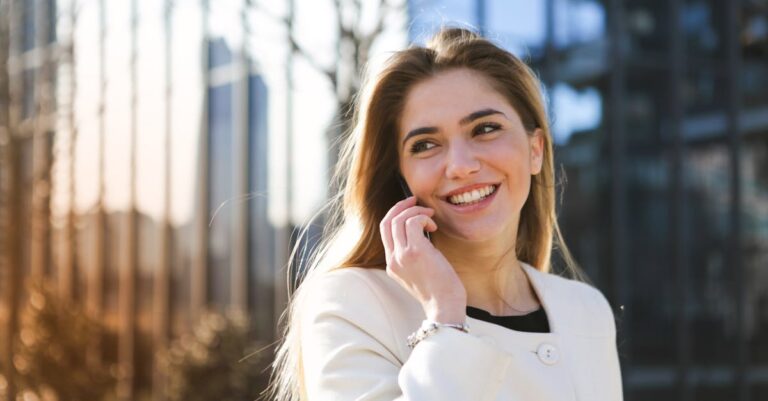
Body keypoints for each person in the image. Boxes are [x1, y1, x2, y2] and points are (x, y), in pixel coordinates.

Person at [267, 27, 623, 401]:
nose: (460, 165)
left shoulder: (586, 310)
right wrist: (444, 319)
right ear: (401, 176)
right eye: (425, 145)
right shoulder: (351, 303)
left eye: (485, 129)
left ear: (535, 150)